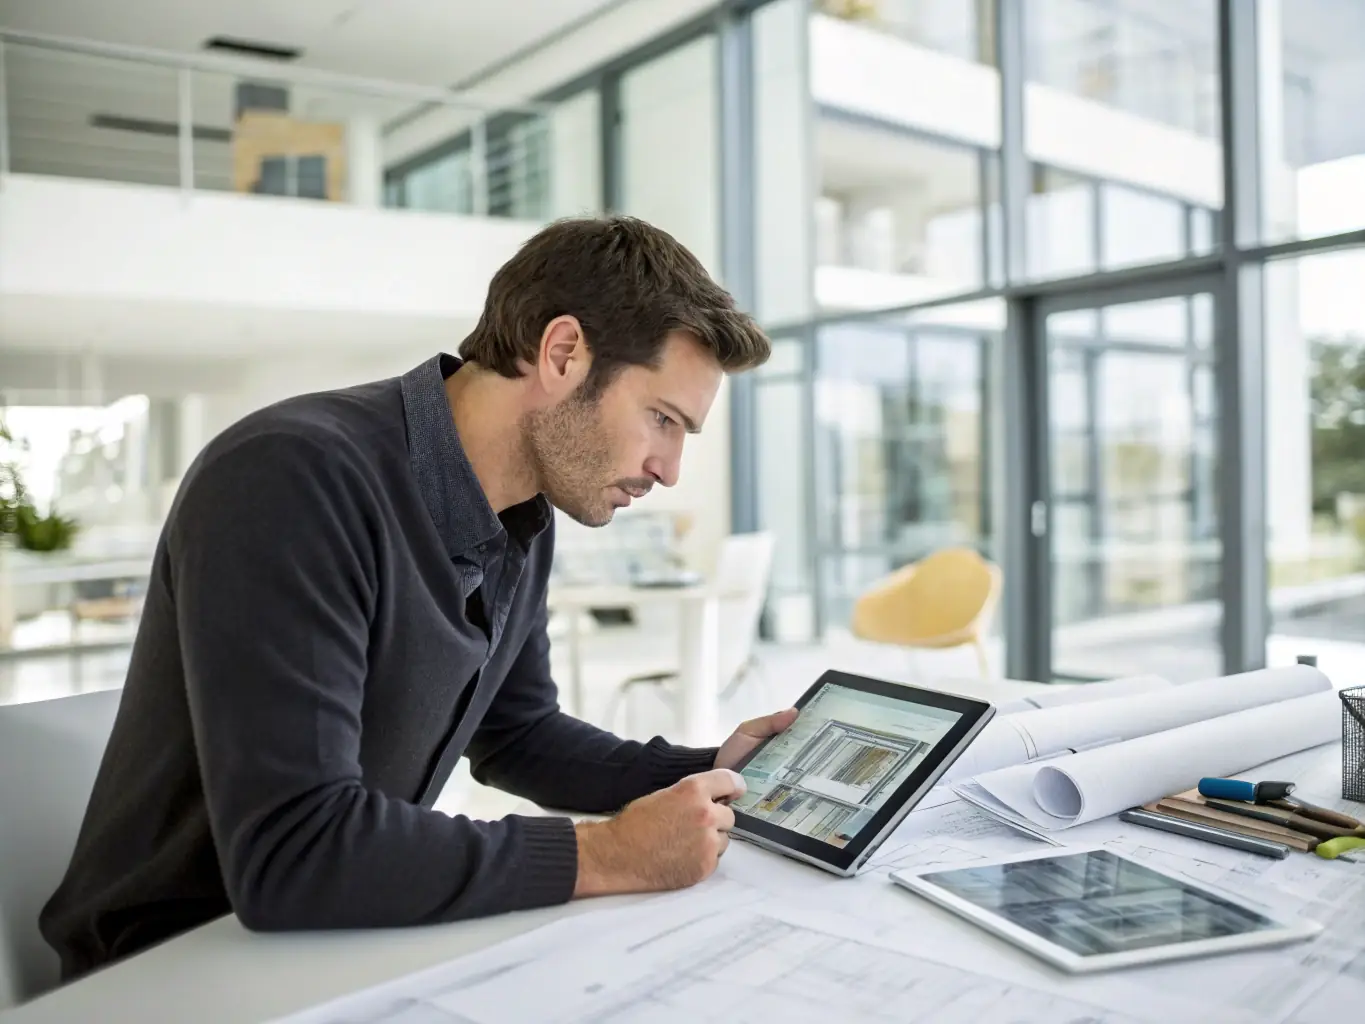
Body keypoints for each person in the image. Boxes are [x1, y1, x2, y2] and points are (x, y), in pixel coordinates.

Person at [40, 215, 797, 980]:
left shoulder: (521, 516)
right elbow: (294, 852)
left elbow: (518, 734)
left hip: (336, 936)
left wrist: (711, 773)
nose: (667, 468)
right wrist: (608, 855)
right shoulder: (291, 478)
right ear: (562, 353)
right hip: (167, 969)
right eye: (660, 419)